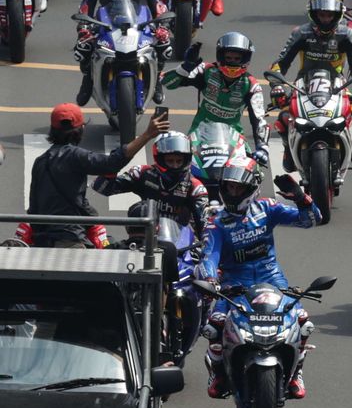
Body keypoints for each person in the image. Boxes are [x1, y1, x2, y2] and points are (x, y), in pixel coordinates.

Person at [199, 157, 320, 399]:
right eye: (229, 187)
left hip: (272, 278)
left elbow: (311, 220)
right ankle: (219, 372)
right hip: (234, 283)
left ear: (252, 188)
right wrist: (210, 281)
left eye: (239, 187)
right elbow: (209, 256)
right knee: (214, 326)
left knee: (303, 322)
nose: (233, 192)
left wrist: (301, 197)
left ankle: (296, 373)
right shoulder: (217, 221)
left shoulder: (268, 208)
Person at [17, 105, 168, 248]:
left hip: (41, 241)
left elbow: (34, 206)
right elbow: (111, 163)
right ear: (81, 129)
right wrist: (147, 135)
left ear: (52, 130)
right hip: (69, 240)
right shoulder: (75, 156)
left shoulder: (40, 161)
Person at [268, 0, 352, 170]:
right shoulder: (301, 33)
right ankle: (286, 148)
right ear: (313, 14)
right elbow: (279, 64)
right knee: (284, 117)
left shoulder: (347, 35)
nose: (325, 19)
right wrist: (277, 86)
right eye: (322, 15)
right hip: (303, 83)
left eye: (329, 15)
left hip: (337, 83)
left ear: (337, 15)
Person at [74, 0, 170, 107]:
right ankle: (88, 80)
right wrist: (84, 27)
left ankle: (156, 81)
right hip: (106, 21)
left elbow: (156, 2)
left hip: (138, 21)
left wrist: (162, 25)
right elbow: (87, 2)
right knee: (83, 48)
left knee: (164, 44)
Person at [161, 33, 271, 168]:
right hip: (198, 136)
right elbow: (167, 83)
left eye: (237, 58)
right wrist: (185, 67)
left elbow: (259, 119)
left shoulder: (252, 85)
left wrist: (262, 147)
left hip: (234, 140)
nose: (232, 62)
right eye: (228, 58)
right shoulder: (205, 70)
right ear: (220, 57)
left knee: (252, 174)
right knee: (182, 173)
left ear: (245, 59)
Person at [92, 130, 210, 239]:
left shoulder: (195, 187)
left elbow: (205, 225)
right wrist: (114, 163)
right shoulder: (142, 173)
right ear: (159, 159)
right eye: (170, 161)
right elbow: (103, 188)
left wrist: (204, 243)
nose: (175, 166)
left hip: (179, 245)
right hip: (144, 240)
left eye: (179, 161)